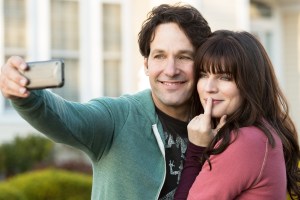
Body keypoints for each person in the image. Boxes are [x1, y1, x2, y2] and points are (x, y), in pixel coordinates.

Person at [0, 3, 211, 200]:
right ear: (146, 64)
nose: (171, 70)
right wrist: (25, 94)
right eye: (159, 56)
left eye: (184, 56)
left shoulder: (220, 125)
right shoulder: (118, 117)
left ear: (201, 64)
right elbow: (63, 117)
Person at [174, 30, 300, 200]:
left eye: (225, 77)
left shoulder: (246, 141)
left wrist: (196, 149)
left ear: (250, 83)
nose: (209, 87)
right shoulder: (261, 134)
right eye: (203, 75)